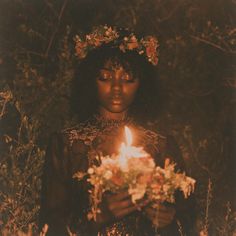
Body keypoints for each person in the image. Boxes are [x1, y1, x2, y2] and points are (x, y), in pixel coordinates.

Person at [39, 25, 196, 235]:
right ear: (89, 81)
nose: (116, 87)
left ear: (142, 84)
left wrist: (168, 221)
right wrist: (97, 217)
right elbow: (50, 226)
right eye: (105, 77)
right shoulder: (66, 144)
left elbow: (189, 222)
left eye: (128, 79)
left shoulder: (161, 145)